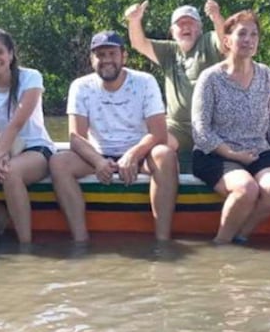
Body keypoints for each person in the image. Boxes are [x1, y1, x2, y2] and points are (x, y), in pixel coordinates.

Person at [48, 31, 177, 242]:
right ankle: (80, 241)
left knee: (165, 155)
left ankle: (163, 240)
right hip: (97, 155)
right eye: (100, 55)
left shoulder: (145, 81)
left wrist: (133, 155)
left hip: (141, 154)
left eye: (112, 53)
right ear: (92, 60)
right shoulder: (80, 87)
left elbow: (159, 133)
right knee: (58, 162)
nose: (106, 60)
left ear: (123, 56)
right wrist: (98, 161)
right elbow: (76, 138)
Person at [191, 11, 270, 244]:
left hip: (257, 150)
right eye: (242, 34)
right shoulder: (210, 77)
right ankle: (221, 243)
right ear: (227, 40)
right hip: (216, 153)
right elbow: (200, 129)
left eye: (254, 34)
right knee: (246, 189)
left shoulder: (265, 74)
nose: (249, 39)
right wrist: (231, 154)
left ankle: (241, 237)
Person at [0, 28, 55, 247]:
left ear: (11, 53)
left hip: (36, 148)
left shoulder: (31, 78)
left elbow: (16, 123)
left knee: (10, 172)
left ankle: (26, 246)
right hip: (2, 148)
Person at [124, 0, 226, 171]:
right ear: (172, 31)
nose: (186, 27)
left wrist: (217, 17)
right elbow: (139, 43)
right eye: (180, 24)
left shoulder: (208, 41)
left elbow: (226, 43)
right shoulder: (169, 51)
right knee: (154, 146)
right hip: (178, 126)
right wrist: (134, 21)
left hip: (212, 125)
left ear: (200, 28)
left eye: (191, 23)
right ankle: (163, 174)